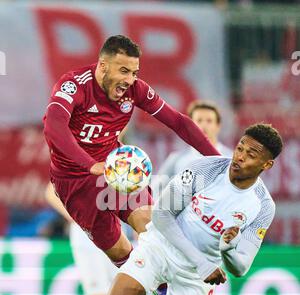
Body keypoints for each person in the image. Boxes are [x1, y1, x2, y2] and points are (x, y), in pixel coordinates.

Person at [55, 123, 283, 295]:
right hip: (161, 247)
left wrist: (227, 250)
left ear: (266, 165)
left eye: (251, 154)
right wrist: (202, 261)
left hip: (198, 276)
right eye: (240, 148)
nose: (240, 157)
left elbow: (241, 267)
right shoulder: (205, 169)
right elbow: (162, 216)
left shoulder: (263, 207)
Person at [43, 35, 220, 270]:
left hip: (117, 168)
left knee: (149, 225)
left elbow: (178, 122)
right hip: (75, 179)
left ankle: (168, 285)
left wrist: (218, 162)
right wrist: (89, 165)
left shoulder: (136, 90)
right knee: (120, 251)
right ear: (103, 66)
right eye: (124, 71)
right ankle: (149, 284)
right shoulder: (74, 85)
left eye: (134, 72)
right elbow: (54, 128)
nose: (130, 80)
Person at [153, 100, 232, 295]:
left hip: (212, 244)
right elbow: (158, 193)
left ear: (218, 125)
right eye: (198, 120)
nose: (204, 125)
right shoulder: (178, 159)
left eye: (210, 120)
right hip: (179, 241)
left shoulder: (232, 160)